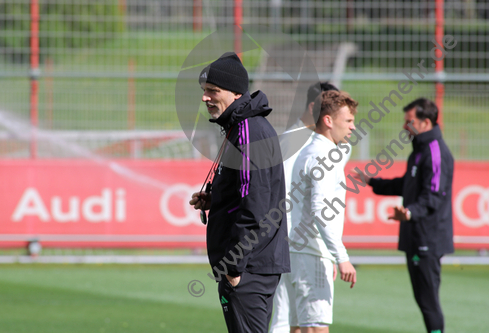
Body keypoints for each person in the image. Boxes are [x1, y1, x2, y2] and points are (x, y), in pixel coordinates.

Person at [188, 52, 290, 333]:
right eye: (204, 91)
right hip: (253, 264)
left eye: (212, 91)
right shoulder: (242, 126)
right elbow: (250, 192)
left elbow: (255, 207)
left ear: (235, 92)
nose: (205, 98)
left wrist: (234, 268)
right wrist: (216, 198)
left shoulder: (248, 130)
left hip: (248, 267)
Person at [353, 98, 454, 333]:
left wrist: (409, 213)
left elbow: (434, 196)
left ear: (426, 122)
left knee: (428, 303)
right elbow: (407, 185)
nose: (404, 127)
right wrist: (373, 182)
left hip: (427, 238)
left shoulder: (435, 152)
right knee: (423, 300)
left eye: (409, 122)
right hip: (416, 236)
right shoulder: (419, 150)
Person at [270, 82, 351, 333]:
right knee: (289, 320)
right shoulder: (290, 144)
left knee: (293, 322)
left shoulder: (335, 146)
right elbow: (280, 197)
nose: (351, 126)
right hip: (294, 243)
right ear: (318, 109)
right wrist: (329, 252)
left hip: (302, 245)